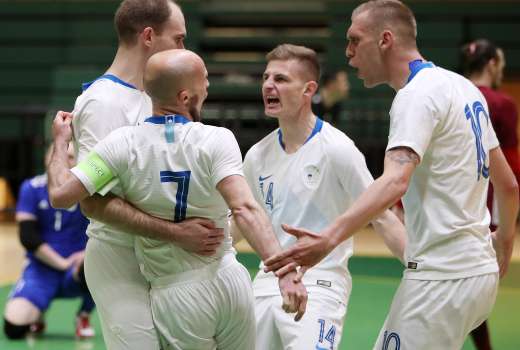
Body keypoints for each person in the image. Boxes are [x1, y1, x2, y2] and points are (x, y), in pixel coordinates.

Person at [264, 1, 519, 349]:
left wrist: (328, 239)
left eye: (355, 41)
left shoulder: (415, 95)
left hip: (440, 279)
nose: (349, 53)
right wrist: (503, 244)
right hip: (478, 275)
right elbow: (508, 185)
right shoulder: (462, 87)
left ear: (385, 39)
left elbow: (395, 180)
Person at [47, 49, 307, 350]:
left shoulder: (121, 144)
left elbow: (60, 195)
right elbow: (246, 209)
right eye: (204, 81)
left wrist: (60, 141)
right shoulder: (218, 139)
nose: (207, 88)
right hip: (230, 280)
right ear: (185, 97)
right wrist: (286, 272)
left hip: (178, 293)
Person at [67, 1, 225, 349]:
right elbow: (93, 204)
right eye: (179, 39)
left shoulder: (155, 95)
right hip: (119, 259)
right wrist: (176, 232)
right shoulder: (104, 102)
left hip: (160, 259)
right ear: (149, 36)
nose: (184, 49)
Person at [237, 43, 406, 350]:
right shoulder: (257, 155)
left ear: (308, 89)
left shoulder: (337, 149)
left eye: (281, 79)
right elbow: (241, 220)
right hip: (265, 283)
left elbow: (380, 216)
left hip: (321, 284)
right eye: (266, 77)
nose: (269, 85)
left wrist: (418, 265)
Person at [461, 38, 520, 350]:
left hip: (450, 203)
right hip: (486, 205)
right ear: (493, 64)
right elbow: (510, 168)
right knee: (478, 284)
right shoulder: (501, 104)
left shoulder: (451, 94)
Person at [3, 145, 95, 340]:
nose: (64, 161)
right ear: (47, 159)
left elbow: (105, 233)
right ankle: (37, 309)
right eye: (58, 155)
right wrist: (61, 263)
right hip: (41, 268)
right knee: (14, 329)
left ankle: (84, 314)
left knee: (96, 263)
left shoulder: (91, 192)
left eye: (71, 157)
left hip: (77, 269)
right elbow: (28, 237)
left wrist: (87, 254)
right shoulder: (32, 188)